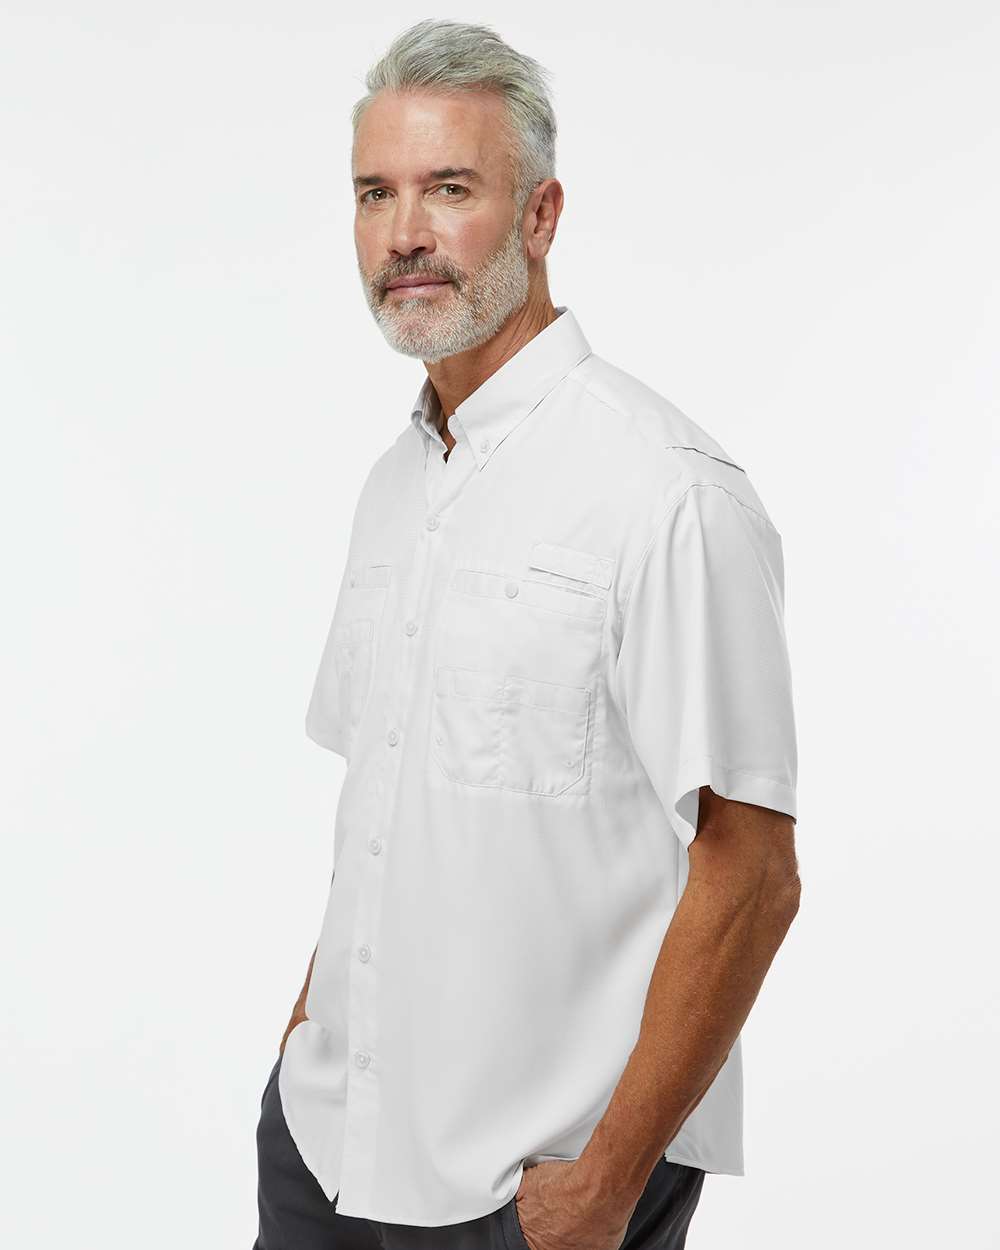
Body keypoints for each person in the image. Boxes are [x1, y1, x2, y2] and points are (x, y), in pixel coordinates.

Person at [253, 18, 800, 1250]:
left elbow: (753, 869)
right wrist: (300, 1052)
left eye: (450, 189)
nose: (404, 233)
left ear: (541, 215)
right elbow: (382, 814)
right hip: (328, 1150)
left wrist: (604, 1182)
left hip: (530, 1186)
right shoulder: (393, 485)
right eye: (375, 193)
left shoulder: (666, 492)